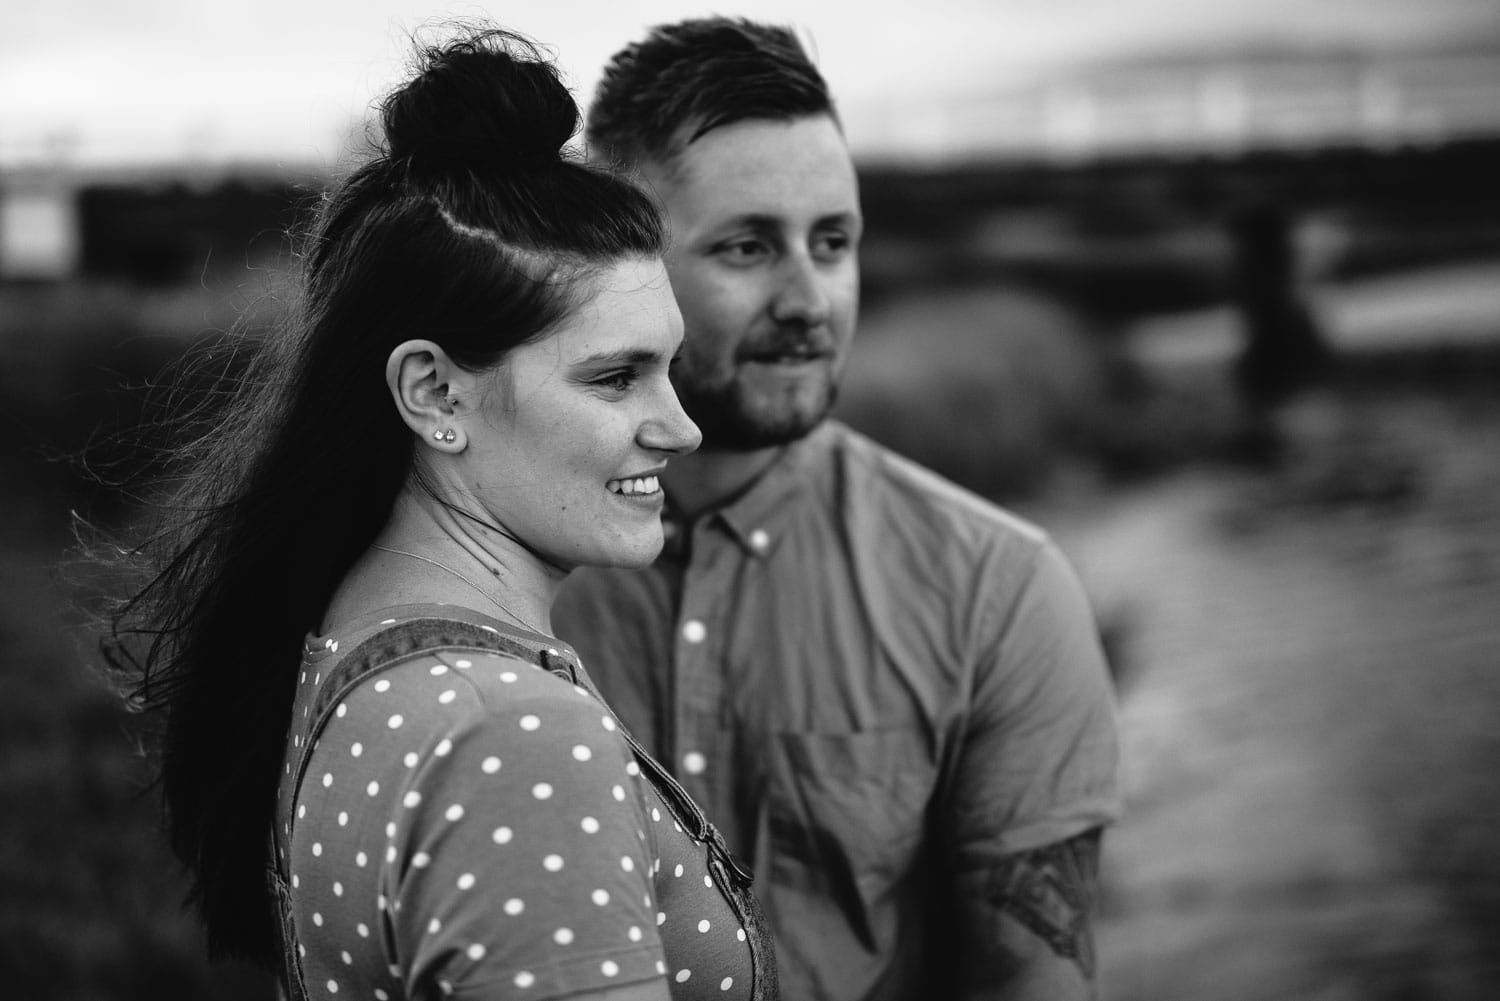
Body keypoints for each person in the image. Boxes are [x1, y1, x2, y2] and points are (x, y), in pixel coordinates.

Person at [102, 26, 779, 1001]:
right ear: (435, 394)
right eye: (615, 376)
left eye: (667, 366)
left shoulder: (367, 644)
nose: (679, 427)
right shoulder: (509, 730)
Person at [553, 17, 1122, 1001]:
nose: (810, 299)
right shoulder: (476, 566)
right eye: (745, 246)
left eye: (833, 241)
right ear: (616, 258)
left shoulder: (999, 592)